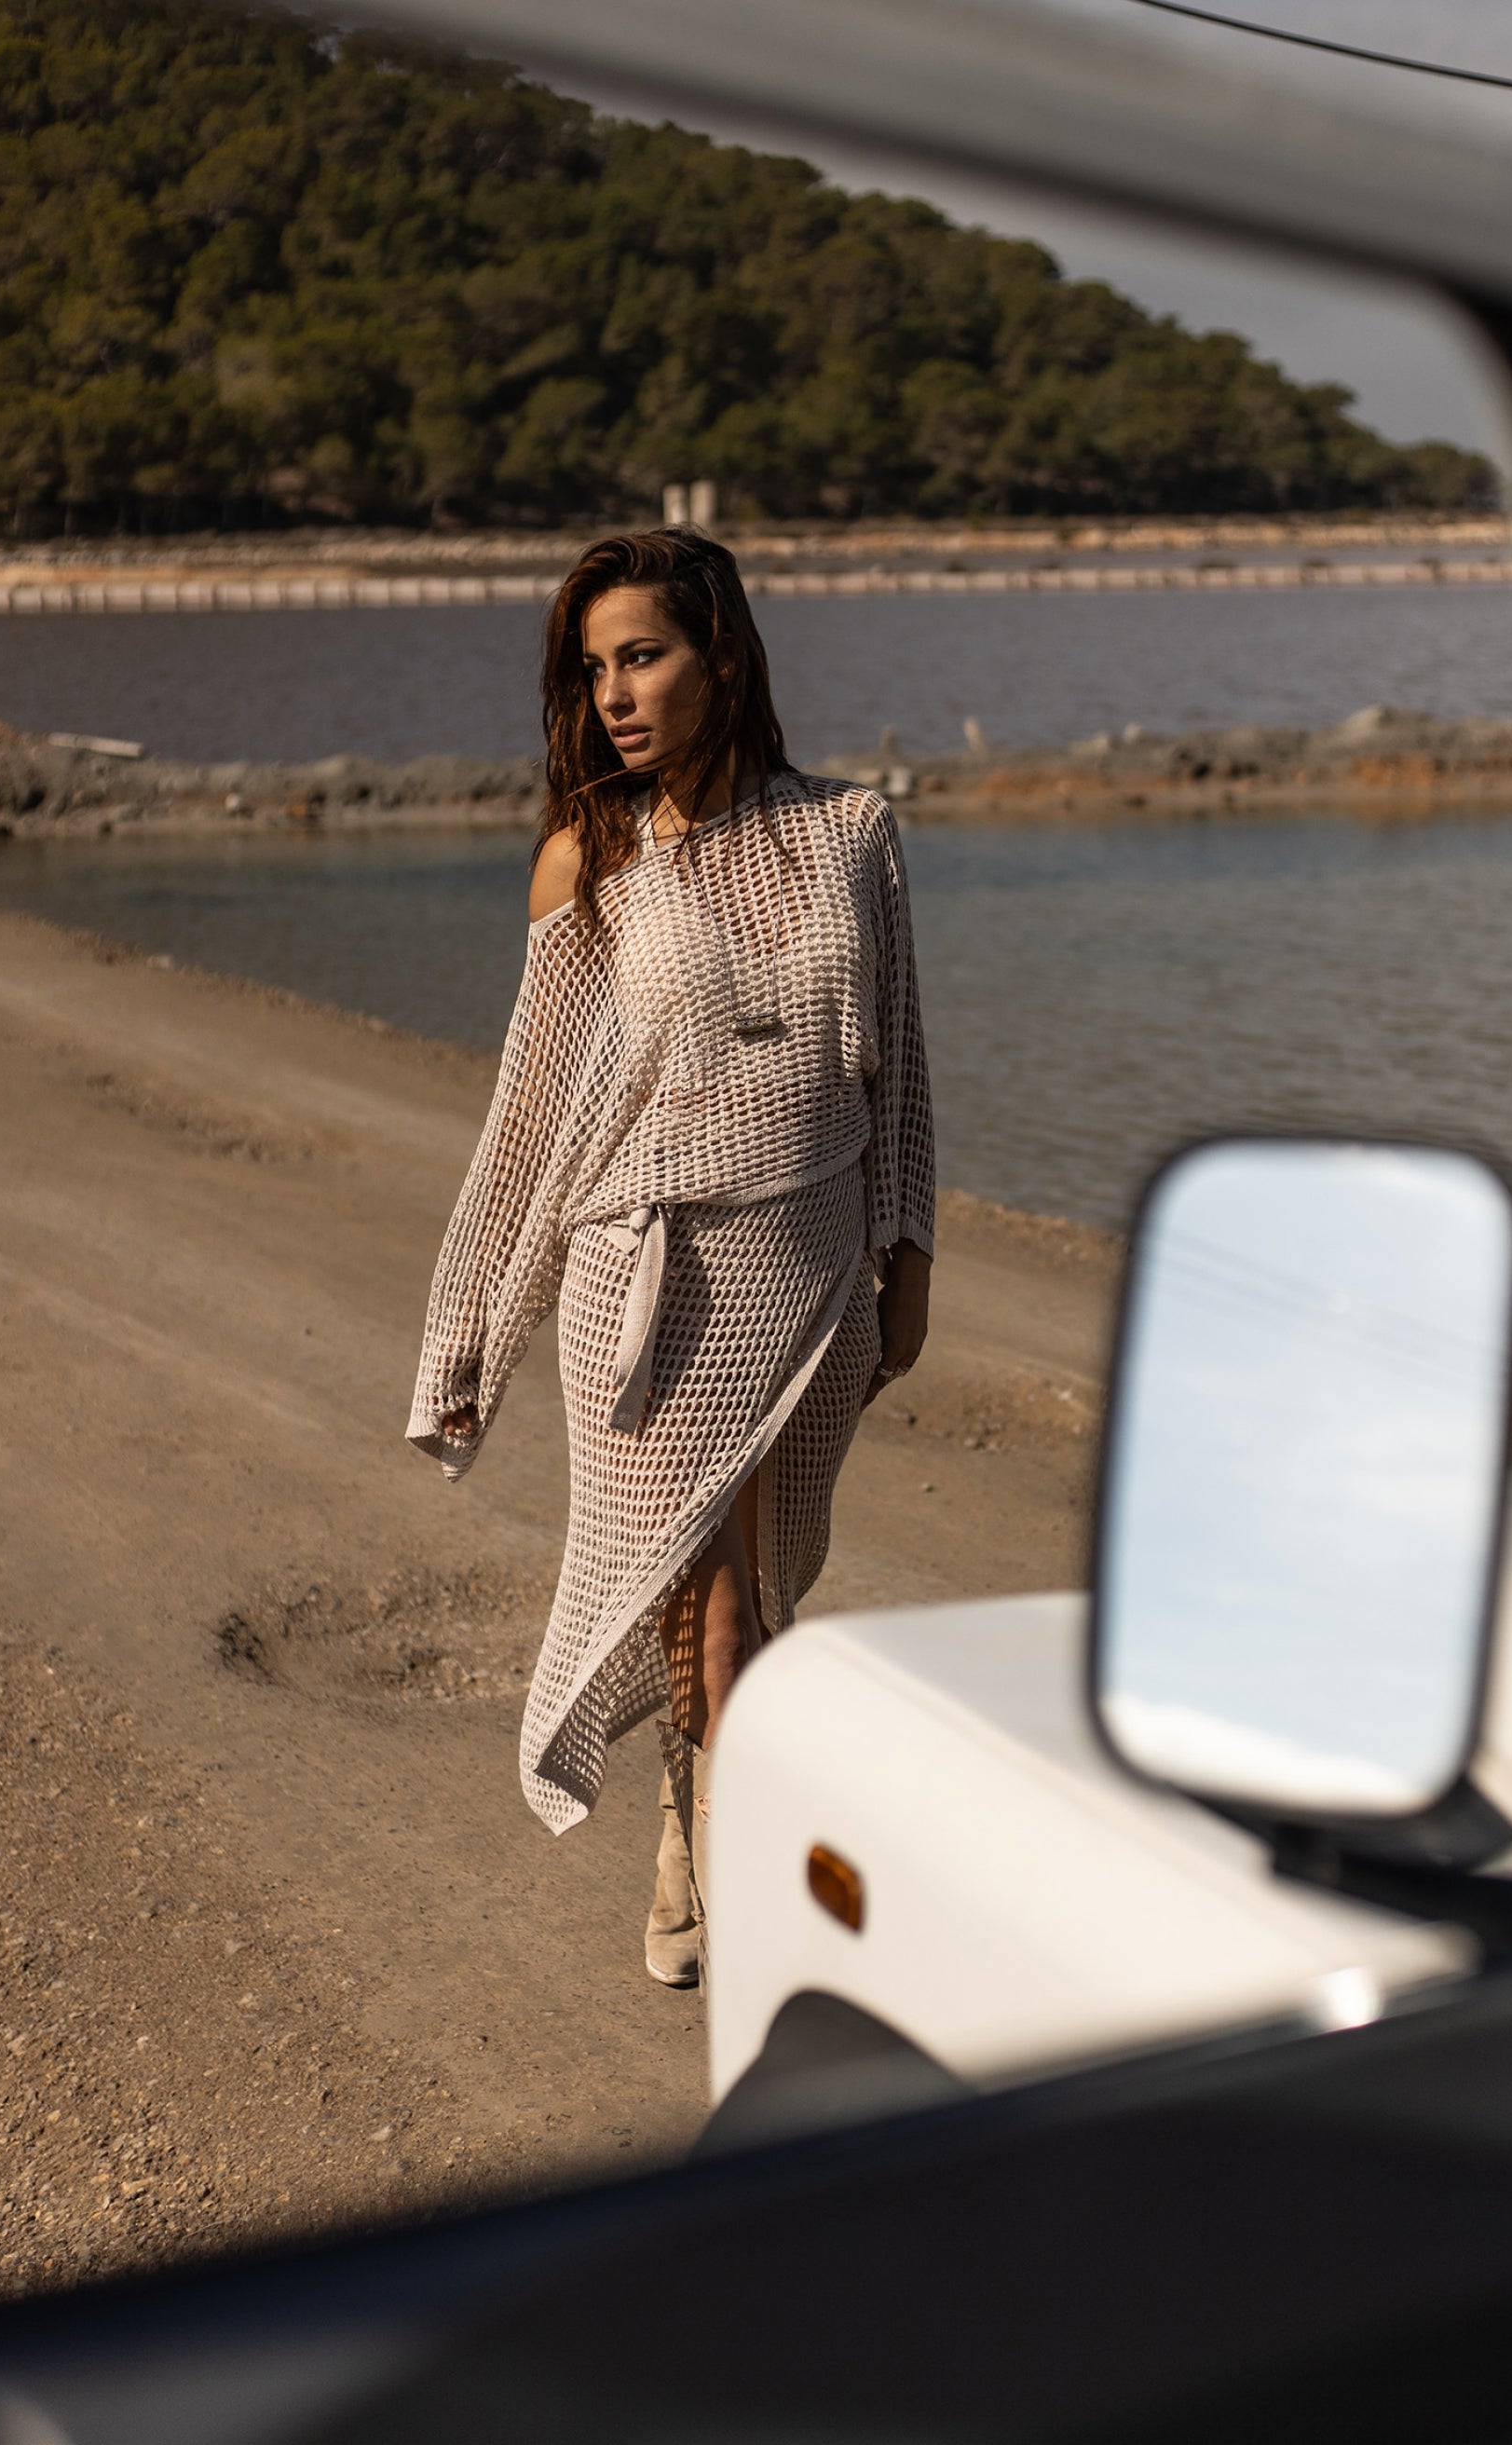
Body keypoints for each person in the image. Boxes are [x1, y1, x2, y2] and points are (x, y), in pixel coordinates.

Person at [406, 527, 934, 1988]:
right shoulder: (587, 860)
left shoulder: (852, 833)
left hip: (806, 1263)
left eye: (641, 656)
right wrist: (471, 1331)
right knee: (707, 1597)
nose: (615, 696)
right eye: (594, 670)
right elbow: (529, 1123)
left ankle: (688, 1810)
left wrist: (908, 1253)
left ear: (725, 655)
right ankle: (728, 1855)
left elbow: (897, 1062)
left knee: (755, 1581)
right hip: (645, 1283)